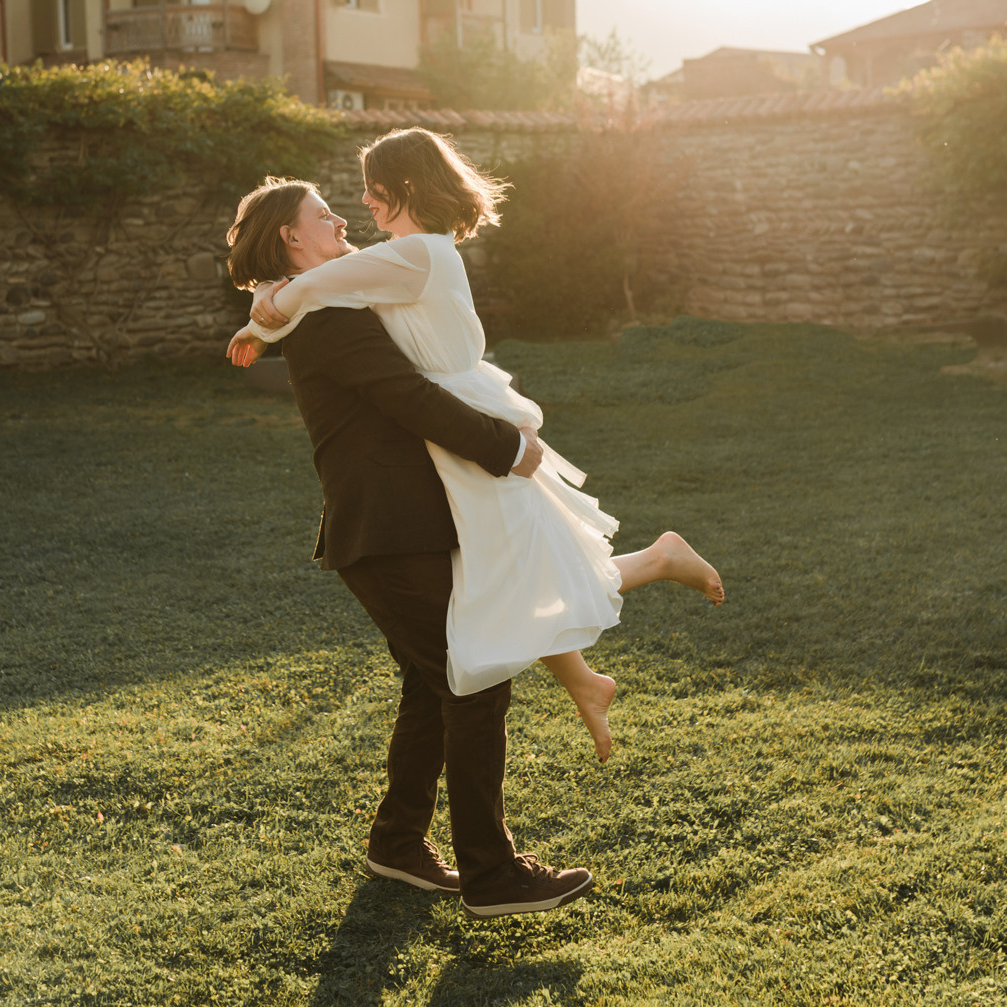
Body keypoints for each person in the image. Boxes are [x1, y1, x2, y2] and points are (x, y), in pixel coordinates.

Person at [228, 129, 723, 768]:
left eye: (372, 189)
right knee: (512, 559)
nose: (359, 205)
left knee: (516, 560)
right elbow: (322, 290)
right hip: (460, 410)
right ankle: (590, 669)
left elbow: (308, 290)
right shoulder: (399, 256)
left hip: (465, 410)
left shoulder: (415, 255)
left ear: (402, 187)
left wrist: (260, 313)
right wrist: (267, 307)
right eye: (331, 209)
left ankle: (653, 567)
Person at [224, 175, 599, 919]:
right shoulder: (326, 315)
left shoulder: (318, 301)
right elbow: (408, 395)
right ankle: (492, 876)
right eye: (322, 216)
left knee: (436, 680)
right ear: (292, 239)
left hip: (396, 526)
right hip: (387, 531)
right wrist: (507, 447)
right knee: (475, 679)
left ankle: (398, 843)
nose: (339, 221)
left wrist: (262, 310)